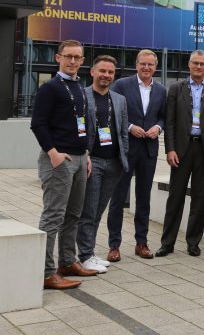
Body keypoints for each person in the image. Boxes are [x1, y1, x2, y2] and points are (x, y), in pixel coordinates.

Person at [31, 40, 95, 290]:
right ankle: (46, 273)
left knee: (73, 215)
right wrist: (53, 153)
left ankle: (67, 262)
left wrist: (86, 154)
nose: (73, 61)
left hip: (79, 158)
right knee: (53, 216)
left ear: (82, 60)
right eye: (68, 56)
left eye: (77, 57)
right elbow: (38, 124)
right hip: (58, 159)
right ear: (58, 57)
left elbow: (80, 124)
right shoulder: (50, 88)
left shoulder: (78, 86)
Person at [156, 50, 204, 257]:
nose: (198, 67)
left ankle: (193, 242)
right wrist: (170, 149)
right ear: (189, 64)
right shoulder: (176, 88)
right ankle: (167, 243)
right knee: (175, 197)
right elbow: (169, 122)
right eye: (195, 63)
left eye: (202, 64)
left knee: (199, 197)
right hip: (181, 150)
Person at [108, 49, 166, 261]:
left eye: (150, 65)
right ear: (136, 64)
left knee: (143, 198)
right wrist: (130, 126)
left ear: (155, 67)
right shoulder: (122, 85)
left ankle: (141, 243)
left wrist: (158, 129)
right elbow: (111, 111)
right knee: (118, 198)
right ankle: (114, 245)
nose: (146, 68)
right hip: (125, 149)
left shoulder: (161, 90)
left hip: (149, 150)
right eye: (143, 64)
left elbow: (163, 117)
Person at [76, 55, 130, 273]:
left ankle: (88, 253)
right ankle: (85, 255)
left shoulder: (119, 99)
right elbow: (78, 129)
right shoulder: (81, 95)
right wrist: (84, 154)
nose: (106, 75)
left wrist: (123, 155)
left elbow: (124, 131)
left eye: (110, 72)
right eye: (102, 71)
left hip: (114, 163)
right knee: (88, 210)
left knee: (98, 210)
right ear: (92, 72)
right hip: (93, 161)